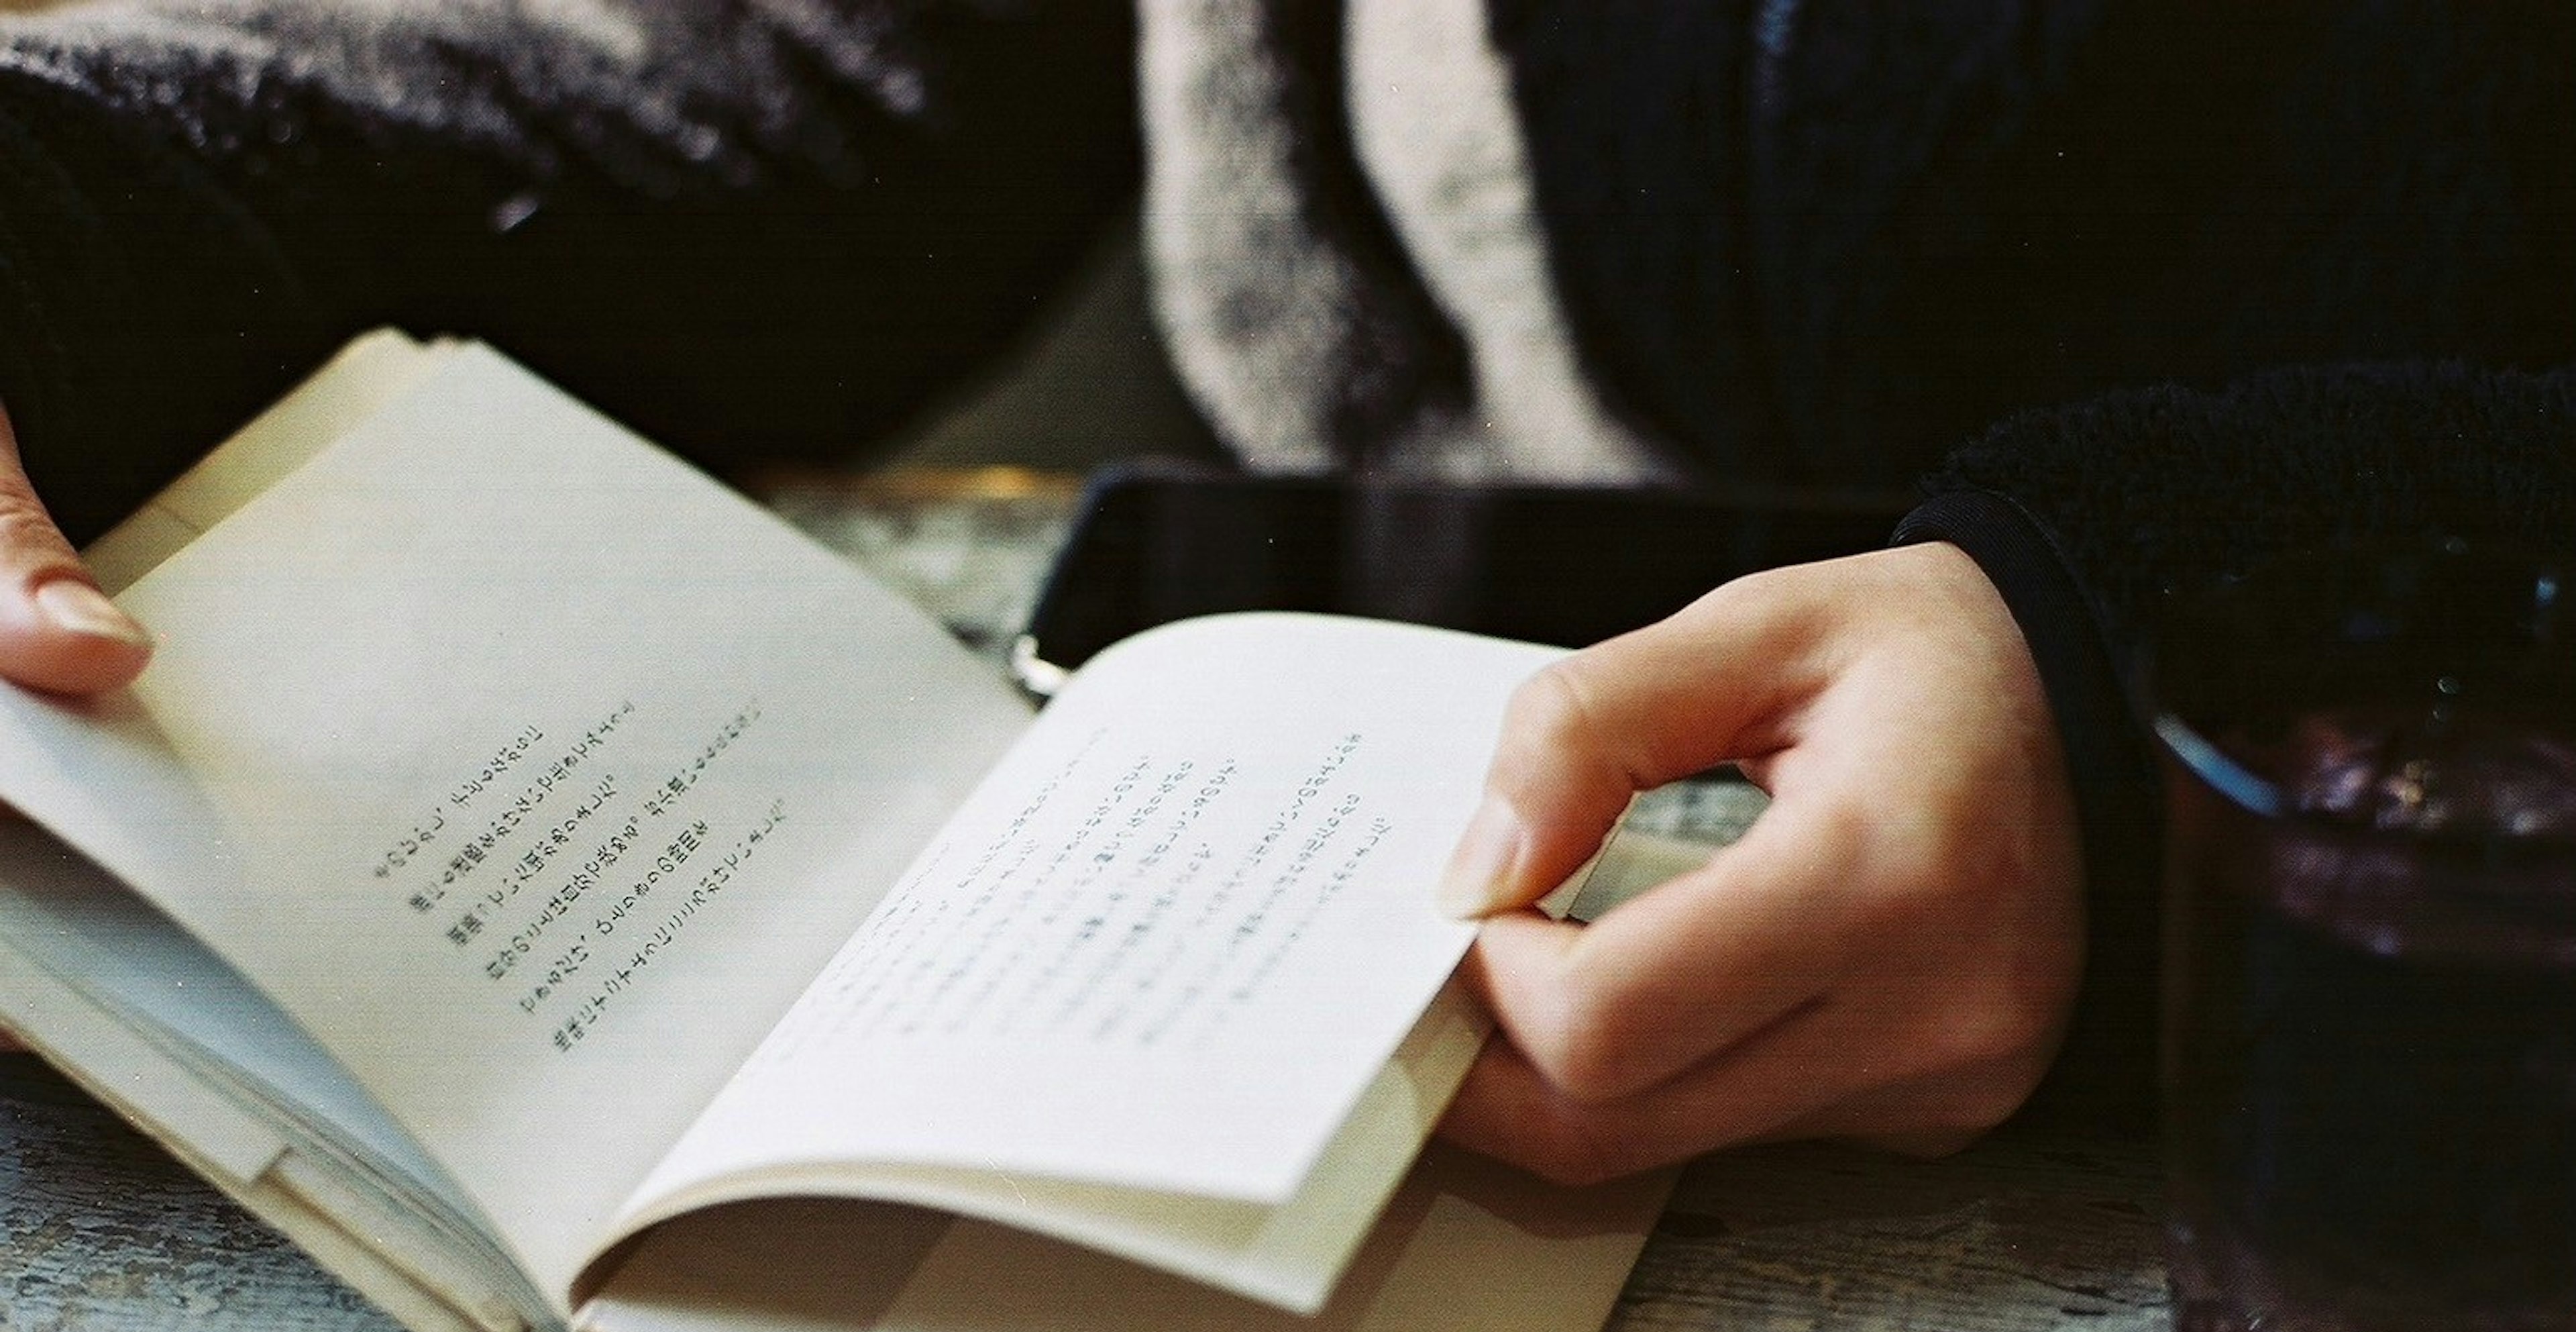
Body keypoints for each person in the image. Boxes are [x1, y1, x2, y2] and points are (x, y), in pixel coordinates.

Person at [0, 1, 2567, 1180]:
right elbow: (793, 77)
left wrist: (2164, 645)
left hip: (2371, 1139)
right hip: (1350, 969)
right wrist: (55, 219)